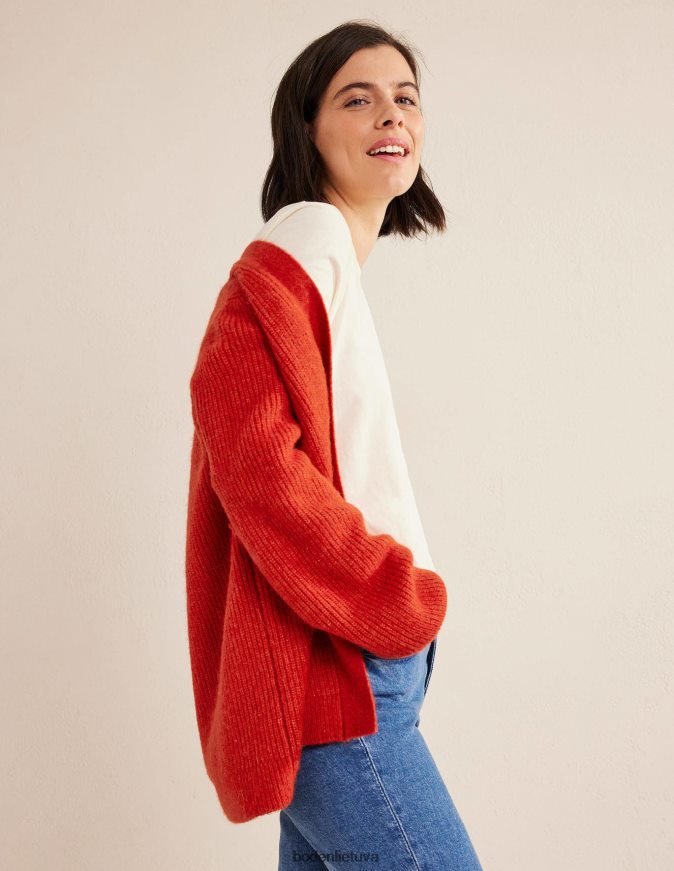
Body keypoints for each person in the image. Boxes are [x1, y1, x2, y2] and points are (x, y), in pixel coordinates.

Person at [185, 19, 484, 870]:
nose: (392, 116)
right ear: (306, 128)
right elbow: (253, 461)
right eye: (358, 99)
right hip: (340, 668)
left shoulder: (331, 260)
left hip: (359, 663)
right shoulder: (303, 241)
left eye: (406, 99)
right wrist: (389, 595)